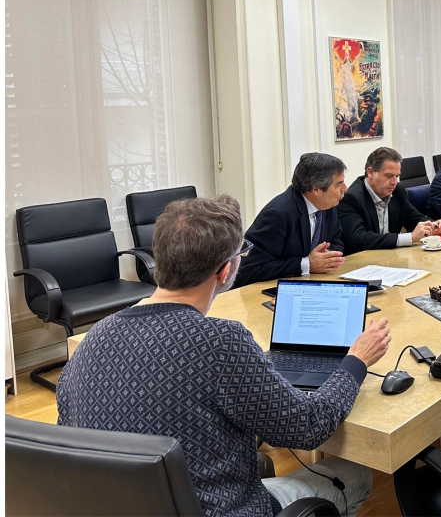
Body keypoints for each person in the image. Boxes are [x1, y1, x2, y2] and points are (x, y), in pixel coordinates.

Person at [57, 195, 391, 516]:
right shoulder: (221, 341)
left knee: (261, 462)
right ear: (224, 271)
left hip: (126, 506)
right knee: (355, 474)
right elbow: (309, 426)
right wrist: (356, 361)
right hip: (213, 509)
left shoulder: (93, 337)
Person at [235, 153, 347, 288]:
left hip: (312, 285)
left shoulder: (327, 205)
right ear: (316, 189)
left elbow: (336, 242)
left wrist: (325, 258)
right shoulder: (278, 214)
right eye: (338, 184)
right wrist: (306, 264)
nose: (345, 188)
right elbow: (249, 269)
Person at [338, 146, 441, 254]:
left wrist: (432, 225)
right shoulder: (351, 198)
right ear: (370, 172)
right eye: (389, 176)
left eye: (397, 176)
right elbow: (359, 239)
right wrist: (409, 237)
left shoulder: (397, 191)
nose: (394, 182)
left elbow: (414, 218)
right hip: (360, 262)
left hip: (391, 257)